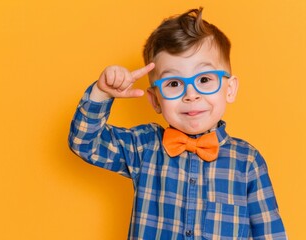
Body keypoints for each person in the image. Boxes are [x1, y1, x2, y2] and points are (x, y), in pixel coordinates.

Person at [68, 7, 287, 239]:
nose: (190, 94)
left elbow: (270, 233)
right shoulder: (144, 147)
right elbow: (84, 143)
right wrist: (102, 93)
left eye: (204, 79)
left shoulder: (248, 161)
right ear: (156, 101)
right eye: (173, 84)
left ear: (229, 89)